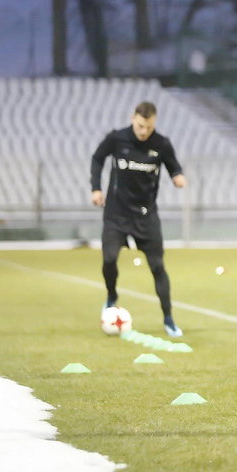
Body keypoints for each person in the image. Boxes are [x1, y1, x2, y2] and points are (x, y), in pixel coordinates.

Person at [90, 101, 187, 337]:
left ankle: (168, 319)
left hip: (146, 216)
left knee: (158, 266)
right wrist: (96, 188)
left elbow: (175, 167)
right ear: (133, 118)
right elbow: (97, 158)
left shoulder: (161, 144)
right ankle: (112, 295)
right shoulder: (117, 138)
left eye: (149, 127)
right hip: (116, 214)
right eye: (141, 126)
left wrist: (178, 177)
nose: (144, 132)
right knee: (109, 259)